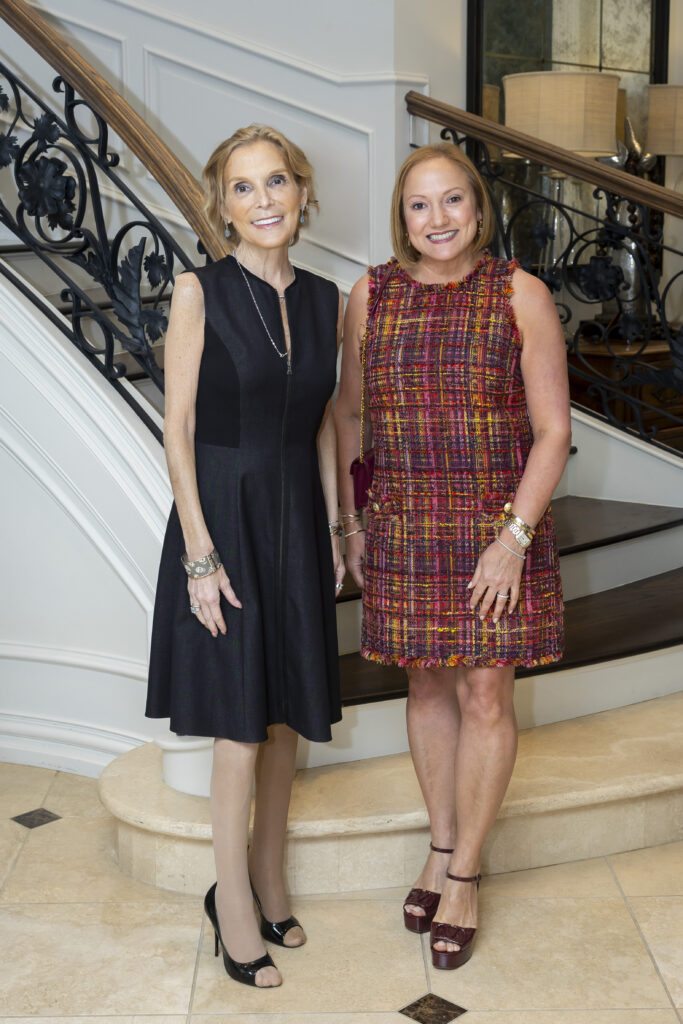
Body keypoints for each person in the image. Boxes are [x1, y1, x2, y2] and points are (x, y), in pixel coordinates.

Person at [334, 143, 570, 971]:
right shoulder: (371, 295)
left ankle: (464, 871)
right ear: (402, 218)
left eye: (451, 202)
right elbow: (349, 417)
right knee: (425, 682)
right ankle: (437, 846)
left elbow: (552, 432)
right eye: (417, 205)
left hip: (494, 531)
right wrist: (351, 524)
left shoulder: (520, 294)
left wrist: (513, 540)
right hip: (400, 525)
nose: (436, 220)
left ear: (478, 209)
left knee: (482, 694)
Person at [146, 124, 345, 989]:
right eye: (242, 187)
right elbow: (178, 429)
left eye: (276, 183)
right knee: (237, 725)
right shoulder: (198, 291)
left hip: (297, 514)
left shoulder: (328, 296)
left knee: (283, 716)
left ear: (301, 193)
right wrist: (198, 554)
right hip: (222, 517)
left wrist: (341, 530)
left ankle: (269, 876)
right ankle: (231, 905)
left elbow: (331, 425)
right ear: (221, 205)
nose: (263, 201)